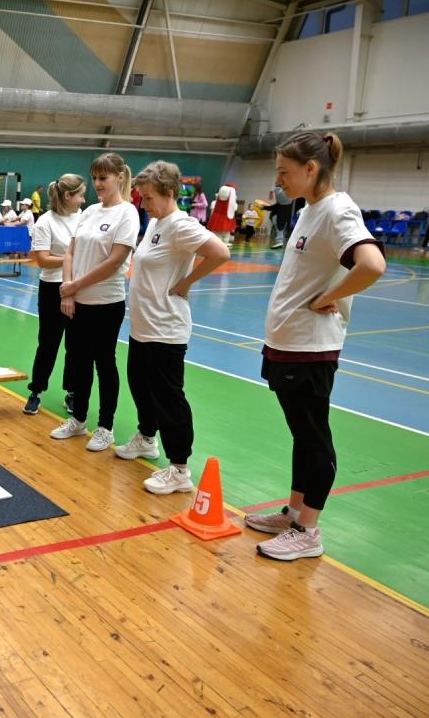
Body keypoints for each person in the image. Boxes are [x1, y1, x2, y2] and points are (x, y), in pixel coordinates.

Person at [245, 132, 386, 561]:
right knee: (301, 435)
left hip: (311, 348)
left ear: (311, 168)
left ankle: (308, 530)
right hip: (287, 342)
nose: (278, 180)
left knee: (314, 437)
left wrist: (329, 297)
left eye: (284, 172)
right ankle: (293, 512)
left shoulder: (338, 211)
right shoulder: (309, 209)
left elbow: (372, 264)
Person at [115, 161, 231, 494]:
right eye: (141, 197)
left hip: (166, 328)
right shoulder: (156, 222)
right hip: (143, 325)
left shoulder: (181, 225)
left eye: (148, 197)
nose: (143, 204)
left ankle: (179, 468)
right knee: (140, 386)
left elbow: (220, 252)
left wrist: (186, 282)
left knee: (169, 398)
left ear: (169, 193)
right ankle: (146, 438)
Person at [54, 153, 138, 452]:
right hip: (76, 302)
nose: (98, 184)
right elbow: (70, 253)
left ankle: (105, 427)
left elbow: (115, 261)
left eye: (103, 178)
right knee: (78, 362)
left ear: (119, 177)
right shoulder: (89, 212)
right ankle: (78, 419)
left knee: (104, 363)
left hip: (106, 303)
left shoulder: (127, 213)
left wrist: (74, 286)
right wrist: (68, 292)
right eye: (95, 178)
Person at [24, 174, 85, 416]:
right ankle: (36, 391)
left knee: (75, 344)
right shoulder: (45, 222)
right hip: (52, 289)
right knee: (48, 343)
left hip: (78, 286)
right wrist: (71, 259)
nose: (83, 200)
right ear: (68, 196)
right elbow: (43, 259)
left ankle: (72, 392)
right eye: (80, 195)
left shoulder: (83, 217)